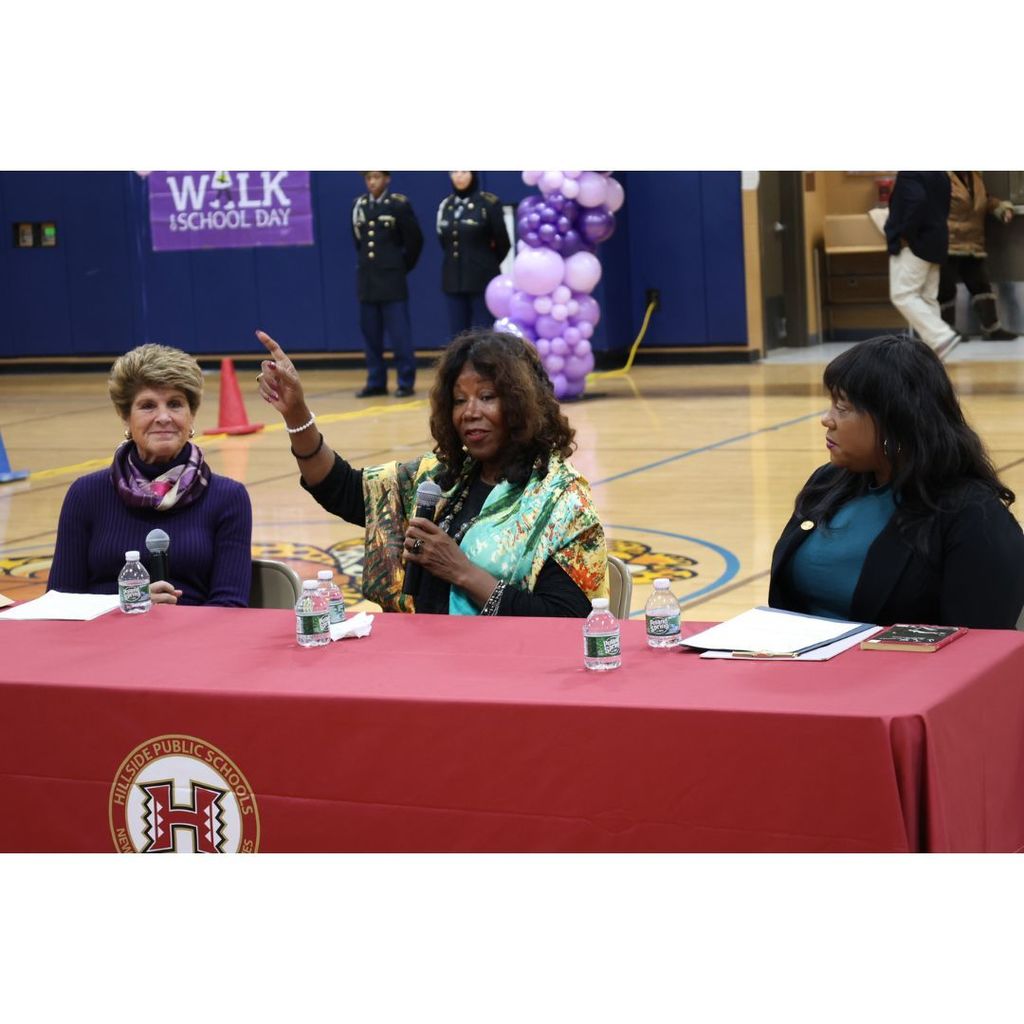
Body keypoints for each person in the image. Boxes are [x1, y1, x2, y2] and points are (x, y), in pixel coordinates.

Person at [255, 327, 607, 615]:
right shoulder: (441, 477)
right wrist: (297, 415)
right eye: (459, 400)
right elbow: (342, 489)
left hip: (506, 673)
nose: (469, 412)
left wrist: (462, 571)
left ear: (521, 405)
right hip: (417, 657)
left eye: (486, 397)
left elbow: (565, 620)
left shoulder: (560, 500)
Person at [769, 334, 1024, 629]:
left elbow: (981, 648)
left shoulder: (972, 514)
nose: (827, 419)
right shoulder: (827, 482)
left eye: (843, 408)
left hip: (900, 672)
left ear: (894, 420)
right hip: (800, 667)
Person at [48, 344, 253, 606]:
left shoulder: (228, 498)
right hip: (104, 642)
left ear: (192, 416)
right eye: (147, 406)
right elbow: (58, 604)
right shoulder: (86, 494)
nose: (164, 417)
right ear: (126, 417)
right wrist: (128, 603)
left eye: (175, 404)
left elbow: (231, 608)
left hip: (194, 643)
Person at [351, 171, 424, 398]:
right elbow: (358, 241)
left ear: (387, 179)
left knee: (399, 335)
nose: (372, 182)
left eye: (376, 177)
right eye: (368, 178)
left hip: (392, 281)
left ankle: (405, 380)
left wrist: (400, 267)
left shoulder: (398, 205)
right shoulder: (359, 205)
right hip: (368, 281)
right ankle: (376, 381)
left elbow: (415, 240)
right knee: (371, 335)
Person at [884, 171, 961, 359]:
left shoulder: (911, 172)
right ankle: (933, 351)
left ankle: (940, 337)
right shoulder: (941, 173)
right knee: (928, 297)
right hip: (937, 241)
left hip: (914, 244)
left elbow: (915, 201)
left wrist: (903, 233)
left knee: (903, 294)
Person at [938, 171, 1017, 341]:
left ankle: (992, 328)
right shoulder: (940, 177)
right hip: (947, 242)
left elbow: (984, 199)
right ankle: (946, 332)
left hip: (973, 242)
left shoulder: (975, 177)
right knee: (946, 289)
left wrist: (1001, 208)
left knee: (981, 285)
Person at [436, 171, 511, 338]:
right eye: (454, 172)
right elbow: (444, 241)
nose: (459, 176)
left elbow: (503, 243)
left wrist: (486, 262)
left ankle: (486, 365)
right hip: (454, 281)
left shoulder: (488, 203)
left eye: (464, 171)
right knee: (458, 337)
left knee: (484, 335)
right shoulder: (446, 205)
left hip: (482, 280)